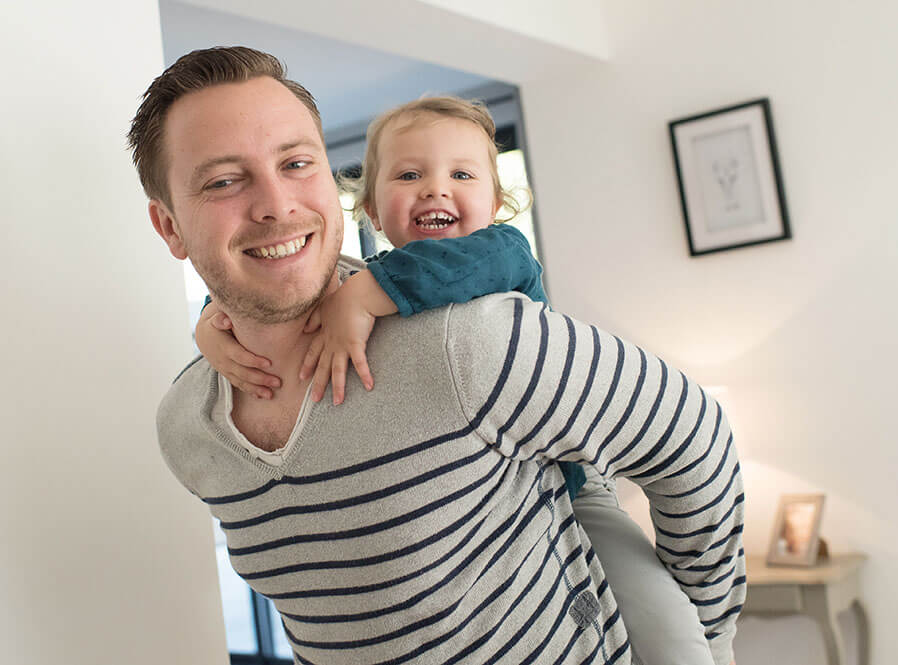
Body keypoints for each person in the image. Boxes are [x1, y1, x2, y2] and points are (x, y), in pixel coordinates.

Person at [130, 46, 745, 665]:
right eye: (223, 181)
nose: (275, 204)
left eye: (294, 162)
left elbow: (695, 440)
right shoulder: (187, 428)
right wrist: (213, 323)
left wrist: (705, 628)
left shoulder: (470, 341)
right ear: (170, 228)